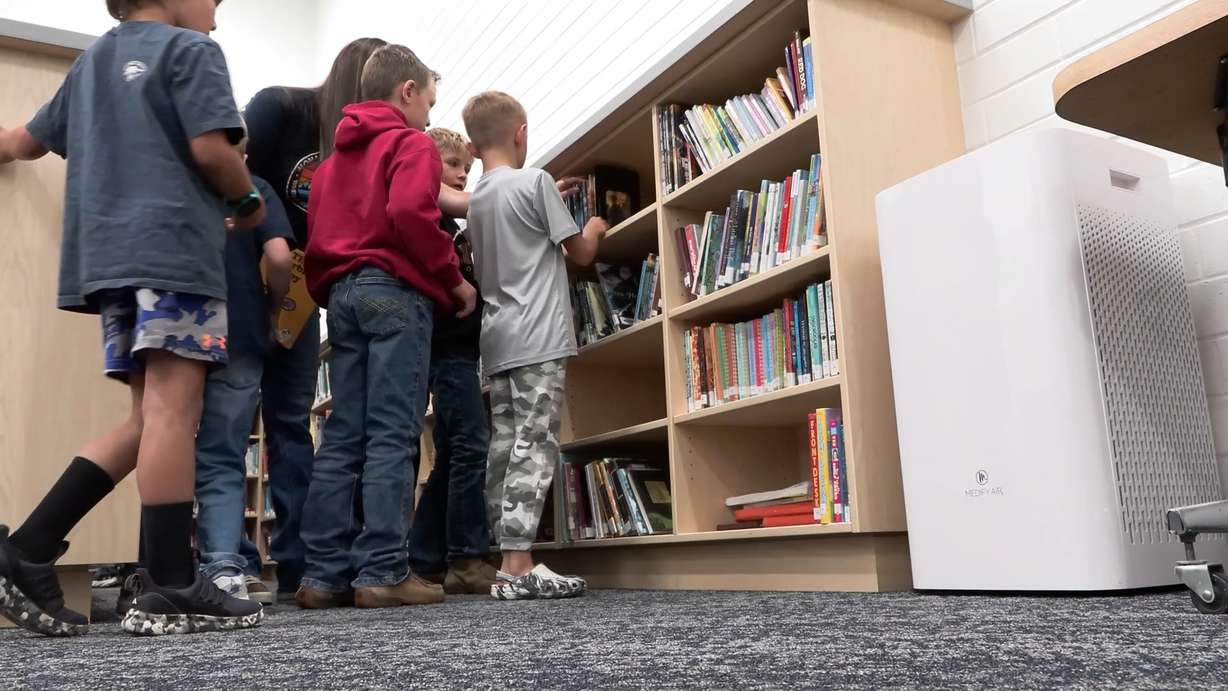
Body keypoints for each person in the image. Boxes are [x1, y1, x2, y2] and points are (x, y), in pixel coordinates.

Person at [0, 0, 265, 636]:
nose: (218, 16)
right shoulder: (192, 52)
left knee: (148, 419)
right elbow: (211, 149)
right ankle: (171, 582)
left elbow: (20, 142)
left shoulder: (90, 62)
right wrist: (250, 201)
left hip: (110, 264)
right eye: (215, 1)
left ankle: (28, 549)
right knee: (177, 413)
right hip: (173, 253)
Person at [299, 44, 477, 609]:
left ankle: (321, 576)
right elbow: (409, 216)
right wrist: (454, 281)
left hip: (341, 299)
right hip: (394, 292)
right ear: (407, 92)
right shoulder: (411, 144)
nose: (429, 113)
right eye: (428, 100)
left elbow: (318, 236)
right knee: (394, 433)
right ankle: (382, 570)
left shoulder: (328, 166)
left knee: (343, 434)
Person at [238, 36, 388, 601]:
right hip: (248, 276)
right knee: (228, 424)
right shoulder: (280, 107)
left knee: (290, 422)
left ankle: (300, 562)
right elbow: (237, 174)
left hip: (302, 296)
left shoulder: (359, 140)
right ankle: (231, 559)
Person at [461, 91, 609, 599]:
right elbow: (581, 253)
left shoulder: (478, 197)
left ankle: (505, 557)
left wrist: (550, 202)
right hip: (539, 336)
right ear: (521, 132)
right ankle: (520, 564)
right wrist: (591, 225)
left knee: (504, 446)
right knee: (535, 444)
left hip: (497, 339)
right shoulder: (537, 181)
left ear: (475, 145)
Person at [193, 127, 295, 605]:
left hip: (181, 325)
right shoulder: (255, 185)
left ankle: (159, 564)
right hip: (240, 331)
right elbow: (279, 255)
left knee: (162, 440)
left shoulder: (183, 178)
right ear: (244, 152)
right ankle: (222, 565)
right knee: (223, 453)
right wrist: (272, 309)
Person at [407, 128, 498, 594]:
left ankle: (425, 558)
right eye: (451, 164)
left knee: (449, 456)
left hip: (457, 353)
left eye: (467, 165)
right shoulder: (432, 224)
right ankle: (466, 557)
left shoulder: (451, 227)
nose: (463, 173)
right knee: (470, 448)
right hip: (449, 353)